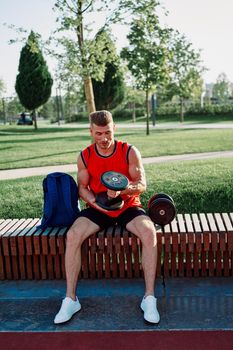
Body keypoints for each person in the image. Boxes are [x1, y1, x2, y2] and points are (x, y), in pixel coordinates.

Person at [54, 110, 160, 324]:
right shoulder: (85, 156)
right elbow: (82, 188)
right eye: (99, 133)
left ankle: (149, 297)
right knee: (73, 235)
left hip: (128, 206)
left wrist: (122, 191)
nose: (104, 138)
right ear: (91, 131)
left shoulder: (129, 151)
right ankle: (70, 299)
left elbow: (142, 184)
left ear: (115, 129)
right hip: (97, 208)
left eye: (108, 133)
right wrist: (95, 201)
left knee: (149, 233)